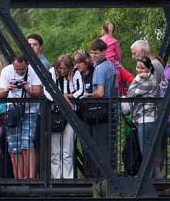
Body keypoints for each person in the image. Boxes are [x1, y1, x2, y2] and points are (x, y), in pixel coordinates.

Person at [0, 54, 43, 179]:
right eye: (16, 69)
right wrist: (8, 89)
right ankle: (18, 179)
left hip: (30, 110)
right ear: (12, 64)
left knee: (27, 143)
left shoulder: (33, 71)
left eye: (22, 70)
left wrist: (28, 89)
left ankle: (30, 178)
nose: (18, 72)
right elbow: (0, 94)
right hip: (12, 110)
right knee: (14, 146)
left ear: (27, 64)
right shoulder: (6, 71)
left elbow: (38, 92)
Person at [79, 38, 117, 178]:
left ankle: (102, 177)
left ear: (103, 52)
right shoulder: (110, 66)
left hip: (102, 111)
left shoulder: (100, 68)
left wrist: (86, 95)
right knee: (108, 145)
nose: (93, 56)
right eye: (92, 53)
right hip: (110, 110)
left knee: (100, 146)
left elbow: (100, 92)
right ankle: (109, 176)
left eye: (96, 53)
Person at [44, 54, 84, 180]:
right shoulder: (51, 72)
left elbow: (80, 92)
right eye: (60, 68)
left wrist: (65, 96)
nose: (62, 71)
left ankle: (67, 179)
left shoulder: (76, 73)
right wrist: (62, 98)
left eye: (65, 68)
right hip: (55, 114)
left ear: (69, 67)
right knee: (55, 151)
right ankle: (56, 178)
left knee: (67, 150)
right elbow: (47, 91)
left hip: (71, 114)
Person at [123, 57, 159, 176]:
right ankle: (153, 179)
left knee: (146, 152)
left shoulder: (150, 81)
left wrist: (137, 79)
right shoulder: (143, 80)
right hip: (141, 120)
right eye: (138, 67)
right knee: (145, 152)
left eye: (142, 68)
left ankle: (152, 180)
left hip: (147, 120)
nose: (139, 70)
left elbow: (131, 93)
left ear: (149, 69)